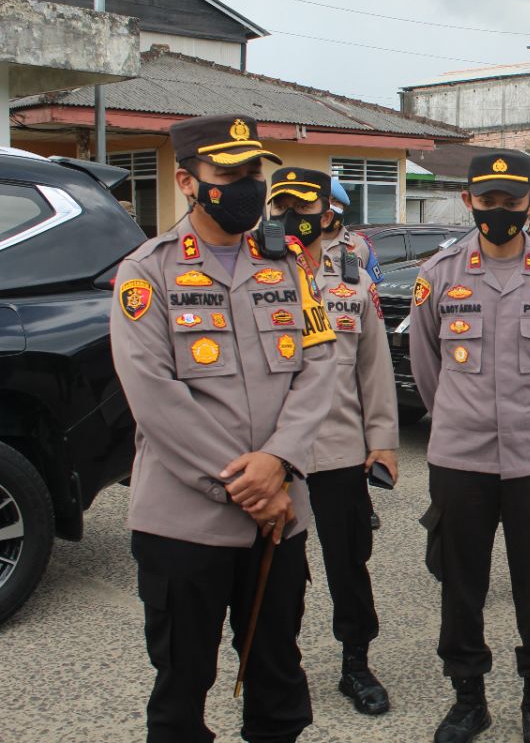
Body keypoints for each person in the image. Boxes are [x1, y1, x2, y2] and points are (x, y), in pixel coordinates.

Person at [111, 114, 337, 742]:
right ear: (187, 181)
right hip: (186, 523)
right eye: (228, 174)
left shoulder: (289, 263)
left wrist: (280, 461)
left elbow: (318, 364)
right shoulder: (146, 271)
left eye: (252, 172)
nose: (246, 186)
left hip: (279, 516)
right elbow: (154, 395)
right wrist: (248, 484)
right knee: (182, 688)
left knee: (278, 681)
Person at [409, 152, 530, 743]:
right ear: (469, 202)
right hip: (459, 459)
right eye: (487, 201)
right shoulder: (437, 274)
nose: (499, 212)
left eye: (511, 201)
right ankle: (469, 699)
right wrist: (456, 421)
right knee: (461, 583)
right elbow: (426, 364)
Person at [266, 167, 399, 716]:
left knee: (349, 561)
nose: (289, 219)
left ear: (327, 214)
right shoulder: (254, 276)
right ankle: (278, 667)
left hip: (342, 444)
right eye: (280, 208)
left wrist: (383, 440)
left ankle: (356, 664)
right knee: (281, 569)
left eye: (301, 208)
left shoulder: (353, 281)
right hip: (277, 452)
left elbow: (374, 369)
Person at [328, 175, 386, 532]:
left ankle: (362, 504)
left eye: (336, 207)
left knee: (355, 431)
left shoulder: (358, 246)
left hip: (349, 343)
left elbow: (372, 289)